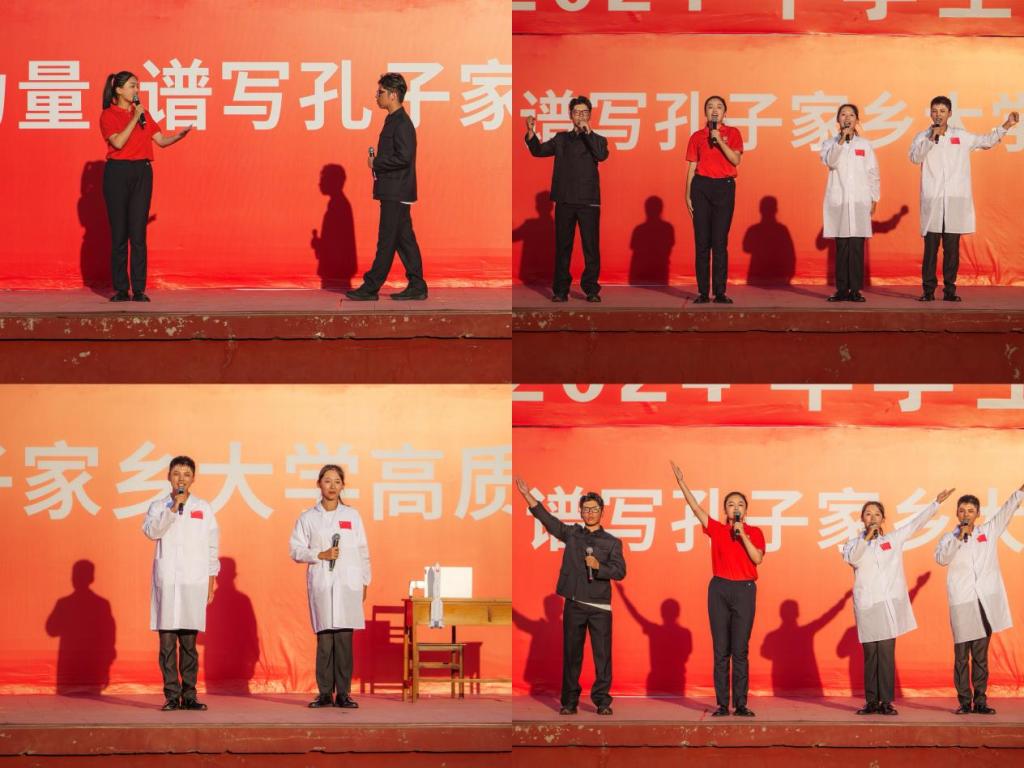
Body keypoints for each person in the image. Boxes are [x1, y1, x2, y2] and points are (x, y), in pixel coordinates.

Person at [514, 477, 625, 715]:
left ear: (602, 512)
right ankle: (569, 702)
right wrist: (528, 496)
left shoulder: (612, 542)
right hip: (574, 603)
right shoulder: (573, 534)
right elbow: (549, 521)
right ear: (580, 512)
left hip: (600, 607)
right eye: (586, 509)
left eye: (594, 509)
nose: (590, 513)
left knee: (603, 657)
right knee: (572, 656)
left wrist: (598, 566)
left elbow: (620, 571)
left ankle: (602, 701)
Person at [842, 489, 954, 715]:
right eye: (868, 514)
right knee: (870, 656)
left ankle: (885, 702)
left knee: (885, 655)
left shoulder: (892, 539)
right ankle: (871, 702)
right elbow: (853, 559)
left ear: (883, 518)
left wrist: (935, 503)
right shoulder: (852, 544)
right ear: (862, 518)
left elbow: (914, 524)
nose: (872, 518)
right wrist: (866, 538)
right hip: (867, 606)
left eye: (877, 514)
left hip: (888, 606)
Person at [670, 461, 764, 716]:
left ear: (746, 510)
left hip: (745, 590)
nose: (736, 508)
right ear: (725, 509)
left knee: (740, 650)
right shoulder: (717, 530)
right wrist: (682, 483)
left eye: (740, 504)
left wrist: (743, 535)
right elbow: (695, 508)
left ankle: (741, 704)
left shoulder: (754, 532)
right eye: (731, 504)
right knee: (721, 649)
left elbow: (757, 558)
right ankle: (722, 704)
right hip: (719, 589)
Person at [909, 97, 1018, 302]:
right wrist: (931, 139)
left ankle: (950, 290)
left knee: (952, 251)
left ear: (950, 114)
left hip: (954, 202)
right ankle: (928, 291)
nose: (938, 115)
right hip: (933, 202)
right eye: (935, 111)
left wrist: (1007, 125)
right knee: (930, 250)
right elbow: (915, 158)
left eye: (942, 111)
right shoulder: (922, 137)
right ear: (930, 113)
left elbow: (986, 141)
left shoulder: (961, 136)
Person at [99, 71, 192, 303]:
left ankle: (139, 289)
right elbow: (118, 142)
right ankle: (121, 289)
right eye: (132, 86)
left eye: (137, 86)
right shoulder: (108, 115)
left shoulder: (144, 114)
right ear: (118, 90)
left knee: (138, 234)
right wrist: (134, 118)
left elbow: (160, 141)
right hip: (117, 173)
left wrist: (178, 136)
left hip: (142, 172)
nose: (136, 90)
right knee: (120, 234)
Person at [935, 485, 1024, 715]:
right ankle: (964, 702)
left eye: (970, 511)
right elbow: (942, 559)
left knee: (981, 657)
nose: (966, 514)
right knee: (961, 657)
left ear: (978, 514)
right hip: (962, 602)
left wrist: (1021, 491)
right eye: (962, 510)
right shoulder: (948, 538)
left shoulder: (989, 531)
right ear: (957, 514)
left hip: (983, 602)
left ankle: (981, 701)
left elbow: (1007, 509)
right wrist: (958, 538)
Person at [289, 464, 371, 708]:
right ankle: (325, 693)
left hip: (347, 584)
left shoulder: (352, 516)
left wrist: (364, 580)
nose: (332, 486)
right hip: (323, 584)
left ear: (343, 485)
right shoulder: (308, 517)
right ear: (319, 484)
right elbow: (295, 549)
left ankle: (343, 694)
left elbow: (363, 551)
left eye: (337, 482)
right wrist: (319, 554)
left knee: (344, 641)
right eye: (327, 481)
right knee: (325, 641)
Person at [142, 456, 218, 711]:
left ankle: (190, 695)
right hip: (167, 582)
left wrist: (210, 582)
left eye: (186, 474)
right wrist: (173, 508)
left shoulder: (203, 508)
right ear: (169, 477)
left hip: (193, 582)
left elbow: (212, 546)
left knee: (188, 645)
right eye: (176, 474)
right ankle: (172, 696)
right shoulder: (158, 506)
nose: (181, 479)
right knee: (166, 645)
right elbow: (152, 532)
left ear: (193, 478)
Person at [346, 73, 427, 302]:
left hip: (396, 191)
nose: (376, 96)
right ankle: (417, 285)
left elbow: (405, 157)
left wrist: (377, 163)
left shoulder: (402, 123)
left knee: (387, 240)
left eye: (380, 92)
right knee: (404, 240)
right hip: (393, 189)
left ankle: (371, 287)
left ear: (393, 95)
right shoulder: (393, 120)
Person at [525, 96, 610, 303]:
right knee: (563, 248)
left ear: (590, 115)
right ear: (570, 116)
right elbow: (538, 151)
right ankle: (561, 290)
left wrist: (588, 132)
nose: (580, 116)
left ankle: (591, 289)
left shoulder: (598, 139)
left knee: (591, 248)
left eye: (584, 112)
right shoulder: (561, 139)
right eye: (576, 112)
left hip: (589, 201)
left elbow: (601, 155)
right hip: (565, 201)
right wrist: (531, 132)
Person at [685, 96, 743, 304]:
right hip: (701, 187)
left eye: (719, 107)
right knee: (702, 242)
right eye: (710, 107)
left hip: (724, 188)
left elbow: (736, 159)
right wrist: (687, 194)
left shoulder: (733, 133)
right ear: (705, 113)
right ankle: (702, 292)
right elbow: (692, 166)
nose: (714, 110)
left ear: (725, 113)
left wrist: (719, 140)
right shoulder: (697, 136)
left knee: (719, 242)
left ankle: (719, 292)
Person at [820, 104, 879, 303]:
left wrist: (874, 197)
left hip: (860, 201)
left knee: (856, 248)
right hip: (839, 201)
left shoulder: (865, 145)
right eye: (843, 115)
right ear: (838, 120)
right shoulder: (829, 143)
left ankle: (855, 290)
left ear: (857, 120)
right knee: (842, 247)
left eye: (851, 115)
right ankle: (841, 290)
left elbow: (873, 173)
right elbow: (831, 162)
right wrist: (840, 141)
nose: (847, 118)